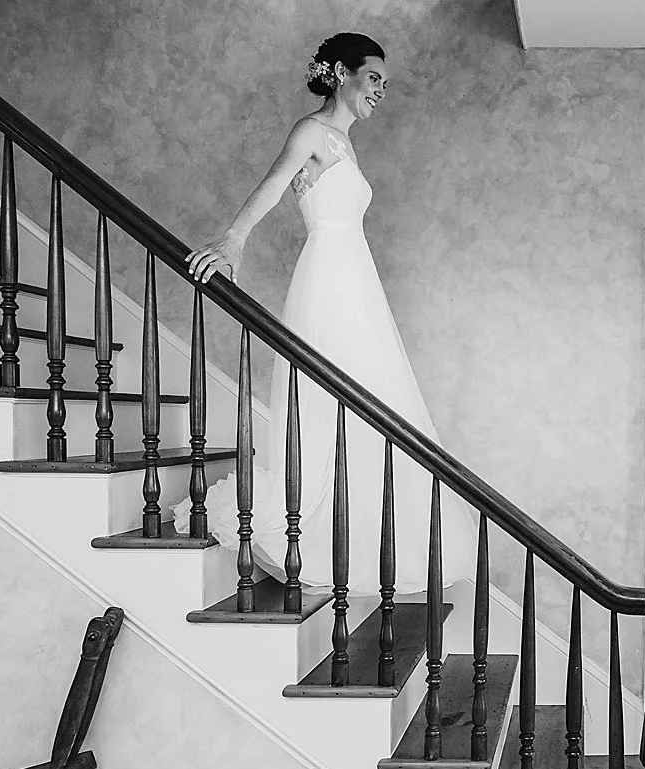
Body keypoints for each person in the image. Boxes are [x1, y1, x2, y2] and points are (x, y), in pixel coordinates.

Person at [186, 33, 465, 589]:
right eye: (373, 78)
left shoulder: (343, 142)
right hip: (329, 277)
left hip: (354, 277)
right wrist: (232, 241)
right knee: (331, 393)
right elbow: (272, 183)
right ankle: (307, 529)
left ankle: (359, 537)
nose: (381, 90)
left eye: (385, 82)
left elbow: (313, 185)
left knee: (369, 396)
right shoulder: (312, 130)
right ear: (341, 73)